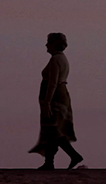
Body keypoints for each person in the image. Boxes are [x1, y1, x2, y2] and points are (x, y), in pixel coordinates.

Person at [28, 32, 83, 170]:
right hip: (60, 95)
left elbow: (53, 83)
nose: (46, 45)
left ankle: (72, 155)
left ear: (54, 44)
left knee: (53, 129)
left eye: (48, 42)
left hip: (55, 97)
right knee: (51, 130)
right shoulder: (61, 58)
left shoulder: (56, 60)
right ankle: (49, 162)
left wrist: (47, 102)